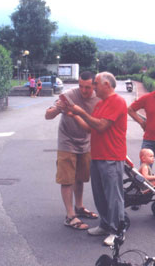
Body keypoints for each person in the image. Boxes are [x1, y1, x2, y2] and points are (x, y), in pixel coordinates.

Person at [66, 72, 127, 246]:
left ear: (106, 85)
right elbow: (89, 127)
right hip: (98, 155)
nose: (93, 87)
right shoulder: (101, 103)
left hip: (112, 156)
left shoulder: (117, 101)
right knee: (100, 194)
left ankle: (117, 232)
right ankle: (106, 225)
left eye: (95, 84)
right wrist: (75, 114)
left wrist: (81, 112)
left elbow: (101, 126)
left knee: (114, 196)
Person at [45, 71, 99, 231]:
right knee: (67, 179)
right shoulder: (68, 95)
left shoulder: (98, 98)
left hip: (85, 142)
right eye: (81, 86)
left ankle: (79, 207)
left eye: (88, 87)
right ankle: (70, 216)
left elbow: (93, 126)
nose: (83, 91)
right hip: (66, 141)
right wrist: (58, 109)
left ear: (94, 86)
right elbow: (48, 115)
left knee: (80, 177)